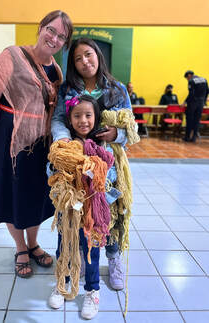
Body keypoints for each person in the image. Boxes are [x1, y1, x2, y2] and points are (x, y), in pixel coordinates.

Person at [0, 10, 73, 278]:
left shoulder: (56, 69)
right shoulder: (11, 56)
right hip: (8, 139)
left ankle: (33, 243)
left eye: (61, 36)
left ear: (64, 43)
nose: (53, 38)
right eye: (51, 30)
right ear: (41, 28)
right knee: (11, 193)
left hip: (41, 143)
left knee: (35, 195)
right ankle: (20, 248)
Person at [49, 38, 136, 316]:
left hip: (107, 166)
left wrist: (116, 135)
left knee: (107, 216)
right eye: (78, 58)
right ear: (72, 64)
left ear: (98, 56)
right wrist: (69, 147)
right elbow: (58, 120)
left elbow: (131, 128)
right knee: (72, 221)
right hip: (75, 166)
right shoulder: (68, 89)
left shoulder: (117, 89)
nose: (85, 61)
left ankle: (113, 259)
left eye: (89, 55)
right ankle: (65, 274)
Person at [48, 95, 119, 320]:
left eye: (88, 115)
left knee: (91, 251)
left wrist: (93, 171)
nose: (83, 120)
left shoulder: (101, 145)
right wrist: (59, 170)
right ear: (69, 120)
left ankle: (92, 290)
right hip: (68, 209)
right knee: (64, 246)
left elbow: (111, 173)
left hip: (92, 211)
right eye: (77, 116)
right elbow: (51, 172)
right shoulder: (64, 146)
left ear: (95, 117)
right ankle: (63, 283)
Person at [182, 70, 209, 142]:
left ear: (189, 75)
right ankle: (194, 137)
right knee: (197, 120)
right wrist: (204, 101)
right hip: (201, 103)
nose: (187, 80)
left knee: (189, 119)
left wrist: (185, 101)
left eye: (187, 78)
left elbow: (191, 94)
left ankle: (187, 137)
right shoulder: (204, 79)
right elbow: (207, 91)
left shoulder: (191, 81)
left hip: (193, 103)